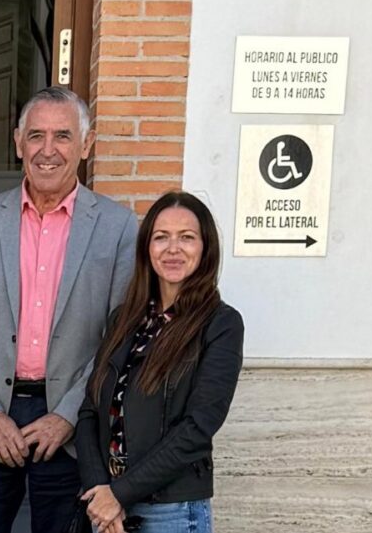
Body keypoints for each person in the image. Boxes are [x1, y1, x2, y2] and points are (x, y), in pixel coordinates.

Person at [0, 87, 138, 533]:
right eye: (36, 136)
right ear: (17, 142)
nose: (48, 151)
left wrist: (68, 415)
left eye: (63, 136)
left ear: (86, 146)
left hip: (73, 427)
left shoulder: (118, 227)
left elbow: (119, 339)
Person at [74, 192, 244, 533]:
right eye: (161, 237)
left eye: (187, 238)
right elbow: (90, 412)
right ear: (146, 248)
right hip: (107, 510)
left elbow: (197, 428)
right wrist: (100, 494)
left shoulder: (220, 324)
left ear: (205, 247)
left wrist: (119, 494)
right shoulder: (124, 319)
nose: (173, 249)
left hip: (172, 511)